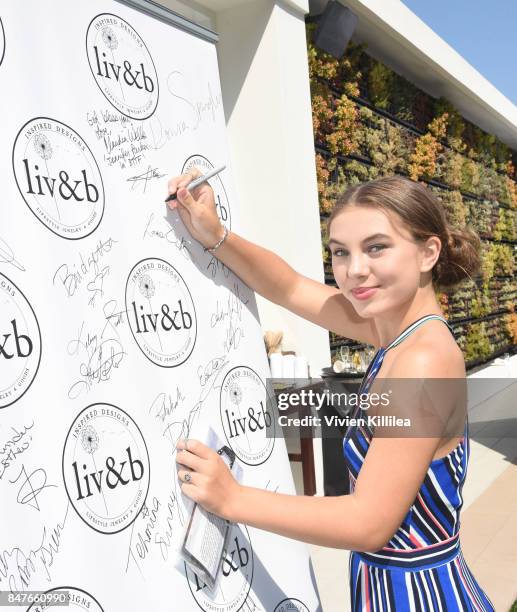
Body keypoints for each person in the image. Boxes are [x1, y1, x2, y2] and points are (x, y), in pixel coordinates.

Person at [167, 170, 495, 611]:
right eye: (341, 252)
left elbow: (368, 522)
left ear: (427, 252)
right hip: (393, 585)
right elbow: (290, 287)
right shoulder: (393, 330)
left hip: (419, 596)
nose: (354, 270)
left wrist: (233, 498)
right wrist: (216, 235)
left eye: (376, 247)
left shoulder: (422, 359)